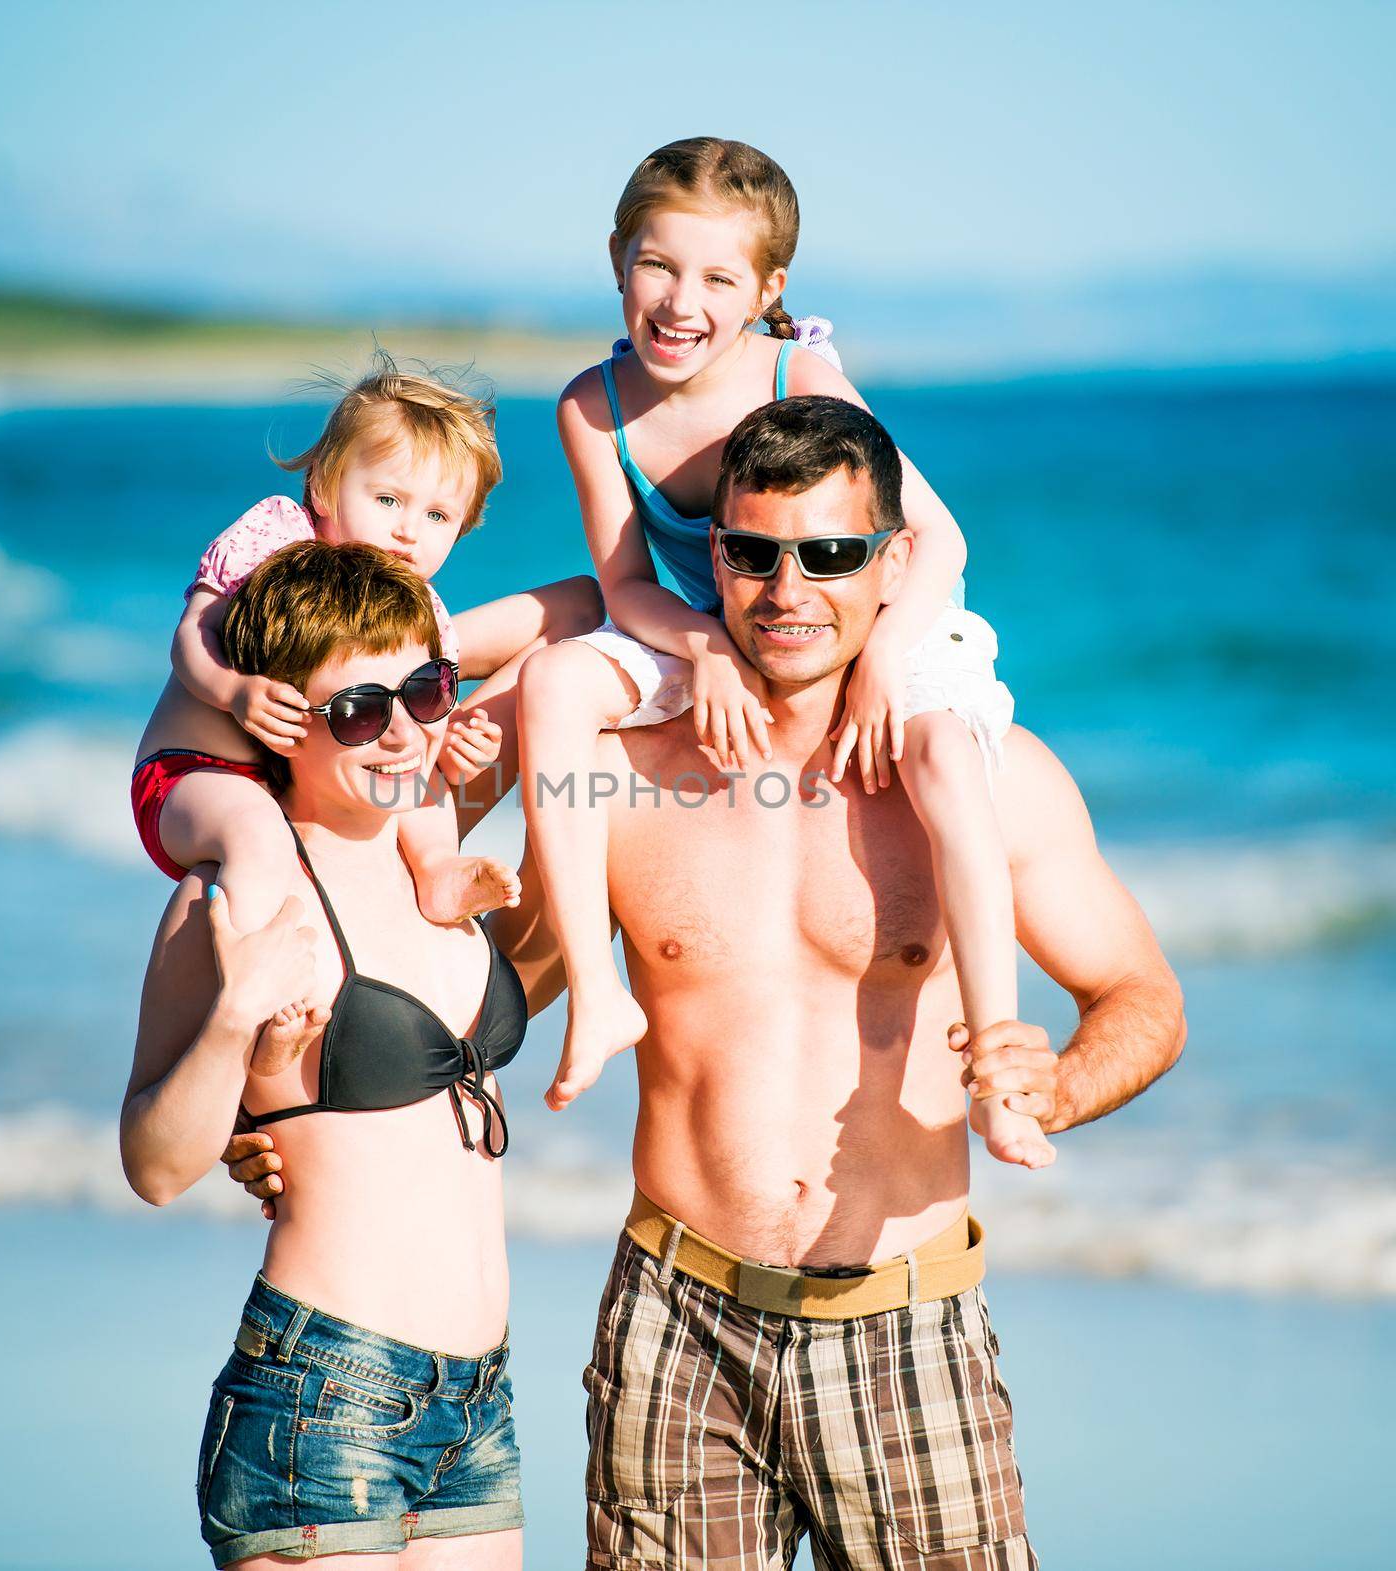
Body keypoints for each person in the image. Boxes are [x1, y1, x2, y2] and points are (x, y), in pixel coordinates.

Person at [228, 397, 1186, 1571]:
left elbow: (1143, 996)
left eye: (830, 555)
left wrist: (1052, 1087)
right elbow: (468, 1008)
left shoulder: (985, 782)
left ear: (891, 568)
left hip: (905, 1321)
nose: (788, 589)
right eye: (751, 552)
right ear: (710, 557)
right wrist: (282, 1105)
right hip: (674, 1325)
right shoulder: (616, 781)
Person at [516, 138, 1047, 1171]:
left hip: (883, 622)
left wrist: (889, 654)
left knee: (940, 758)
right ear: (617, 259)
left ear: (766, 288)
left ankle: (995, 1066)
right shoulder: (593, 406)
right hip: (708, 624)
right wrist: (703, 649)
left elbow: (936, 540)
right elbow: (626, 583)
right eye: (658, 266)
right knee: (552, 679)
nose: (680, 300)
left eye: (717, 277)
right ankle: (594, 990)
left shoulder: (801, 374)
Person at [123, 542, 565, 1569]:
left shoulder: (439, 866)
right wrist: (235, 1020)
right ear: (280, 719)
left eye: (425, 689)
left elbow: (579, 627)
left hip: (479, 1400)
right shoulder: (237, 895)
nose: (404, 730)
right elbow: (151, 1163)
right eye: (361, 709)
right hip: (321, 1394)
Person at [132, 359, 601, 1062]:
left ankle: (438, 866)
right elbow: (191, 633)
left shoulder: (422, 612)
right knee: (259, 838)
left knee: (425, 774)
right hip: (198, 774)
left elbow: (416, 725)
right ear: (324, 484)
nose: (408, 531)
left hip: (320, 783)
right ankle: (257, 998)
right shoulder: (281, 536)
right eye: (388, 499)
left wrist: (452, 739)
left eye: (437, 515)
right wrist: (232, 690)